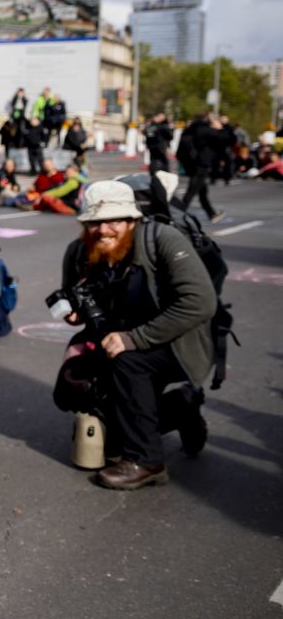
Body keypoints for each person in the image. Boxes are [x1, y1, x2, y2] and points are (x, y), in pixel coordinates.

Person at [58, 181, 215, 489]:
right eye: (94, 222)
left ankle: (147, 461)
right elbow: (73, 296)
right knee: (97, 411)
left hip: (178, 341)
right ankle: (182, 408)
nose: (103, 230)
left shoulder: (164, 239)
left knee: (129, 362)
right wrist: (75, 312)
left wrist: (135, 339)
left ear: (132, 219)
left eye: (114, 220)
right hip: (115, 338)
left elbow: (200, 302)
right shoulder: (79, 251)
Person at [175, 113, 222, 222]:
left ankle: (211, 213)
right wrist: (219, 128)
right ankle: (177, 214)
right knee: (191, 192)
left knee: (202, 191)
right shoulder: (204, 130)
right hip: (200, 165)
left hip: (192, 164)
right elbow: (222, 139)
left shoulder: (190, 129)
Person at [18, 158, 88, 215]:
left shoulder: (73, 181)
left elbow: (60, 191)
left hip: (70, 207)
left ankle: (34, 207)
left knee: (47, 198)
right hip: (41, 194)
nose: (66, 173)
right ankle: (26, 203)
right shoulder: (42, 175)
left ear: (75, 172)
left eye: (68, 172)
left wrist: (43, 194)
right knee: (24, 196)